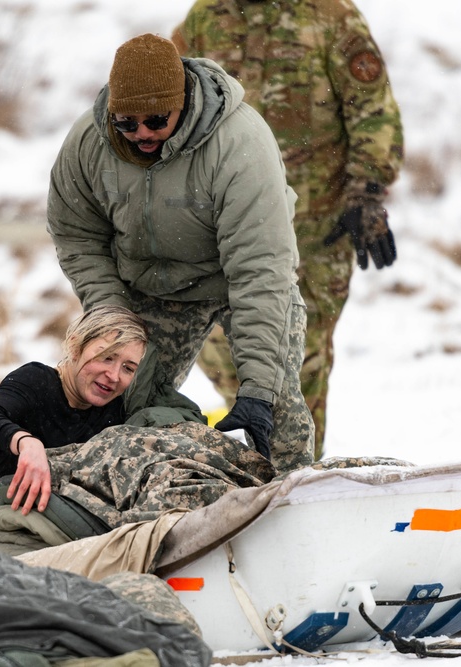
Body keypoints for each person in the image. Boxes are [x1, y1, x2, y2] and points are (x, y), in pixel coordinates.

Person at [47, 33, 314, 474]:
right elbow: (76, 234)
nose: (142, 134)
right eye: (127, 124)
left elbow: (259, 270)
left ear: (184, 102)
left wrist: (258, 391)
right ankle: (152, 500)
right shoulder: (88, 143)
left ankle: (294, 500)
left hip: (238, 281)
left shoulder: (240, 143)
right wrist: (113, 317)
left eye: (155, 120)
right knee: (130, 403)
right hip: (150, 286)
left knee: (276, 410)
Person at [172, 0, 404, 454]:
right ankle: (264, 458)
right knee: (221, 349)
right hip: (229, 227)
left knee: (298, 362)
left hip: (316, 232)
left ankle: (296, 478)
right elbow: (172, 104)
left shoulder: (331, 17)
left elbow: (373, 110)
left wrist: (366, 192)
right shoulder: (206, 17)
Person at [0, 305, 148, 549]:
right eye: (106, 357)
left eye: (128, 368)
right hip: (2, 538)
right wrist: (26, 443)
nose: (113, 375)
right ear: (75, 347)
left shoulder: (116, 410)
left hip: (77, 543)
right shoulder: (36, 381)